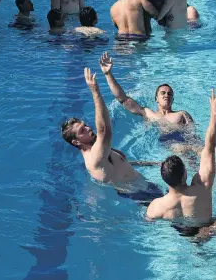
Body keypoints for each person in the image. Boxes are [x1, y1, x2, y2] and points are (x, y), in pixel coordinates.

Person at [61, 67, 163, 202]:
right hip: (140, 194)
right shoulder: (95, 156)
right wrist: (95, 92)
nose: (88, 128)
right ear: (76, 142)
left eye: (85, 125)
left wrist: (149, 163)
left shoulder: (99, 151)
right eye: (82, 130)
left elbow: (120, 163)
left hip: (144, 186)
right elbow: (104, 130)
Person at [146, 89, 216, 226]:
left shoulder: (156, 207)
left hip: (179, 234)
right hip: (207, 230)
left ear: (164, 179)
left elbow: (147, 222)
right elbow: (210, 147)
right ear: (185, 173)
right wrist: (214, 114)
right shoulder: (202, 187)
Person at [100, 52, 194, 129]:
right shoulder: (148, 113)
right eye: (163, 93)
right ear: (156, 99)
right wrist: (108, 74)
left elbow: (193, 134)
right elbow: (123, 99)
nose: (167, 95)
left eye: (170, 94)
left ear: (173, 99)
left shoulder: (182, 114)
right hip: (168, 144)